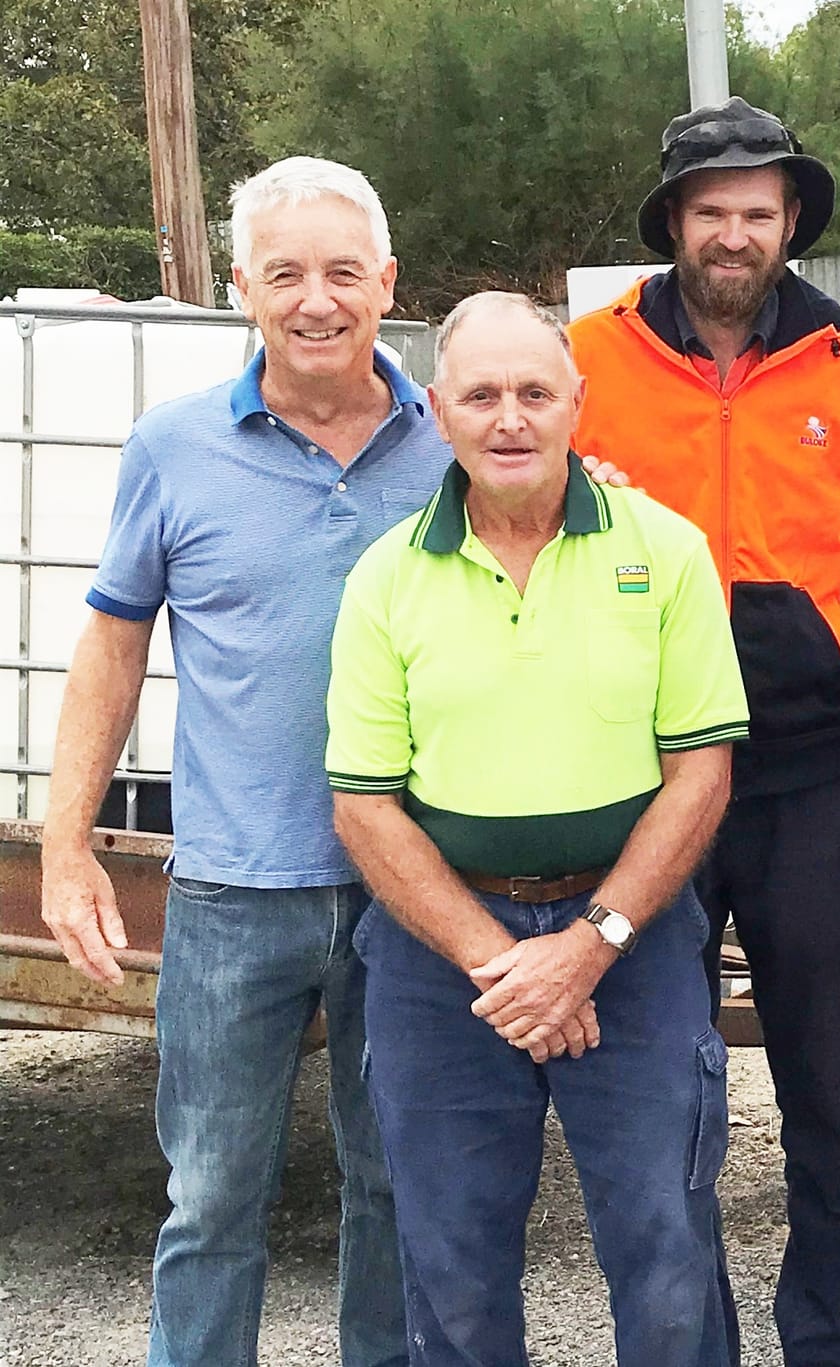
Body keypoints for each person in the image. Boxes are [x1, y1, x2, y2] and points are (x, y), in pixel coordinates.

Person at [36, 156, 433, 1367]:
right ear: (244, 294)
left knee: (397, 1191)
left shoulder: (458, 442)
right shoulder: (172, 448)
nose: (316, 299)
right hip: (229, 891)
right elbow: (110, 649)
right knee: (210, 1203)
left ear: (386, 282)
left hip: (413, 891)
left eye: (342, 271)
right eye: (284, 274)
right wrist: (67, 844)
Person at [325, 292, 748, 1367]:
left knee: (664, 1253)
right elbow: (364, 803)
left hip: (634, 943)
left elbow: (700, 770)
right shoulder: (385, 580)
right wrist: (507, 964)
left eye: (533, 392)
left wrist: (589, 943)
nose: (508, 417)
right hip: (443, 963)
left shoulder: (667, 550)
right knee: (452, 1268)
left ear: (577, 404)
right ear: (438, 409)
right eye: (480, 394)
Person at [567, 96, 840, 1365]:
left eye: (756, 212)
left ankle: (836, 1343)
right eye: (710, 211)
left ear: (788, 224)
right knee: (664, 1094)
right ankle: (683, 1343)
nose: (733, 233)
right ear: (673, 221)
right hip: (647, 774)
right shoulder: (588, 359)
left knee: (823, 1088)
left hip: (807, 776)